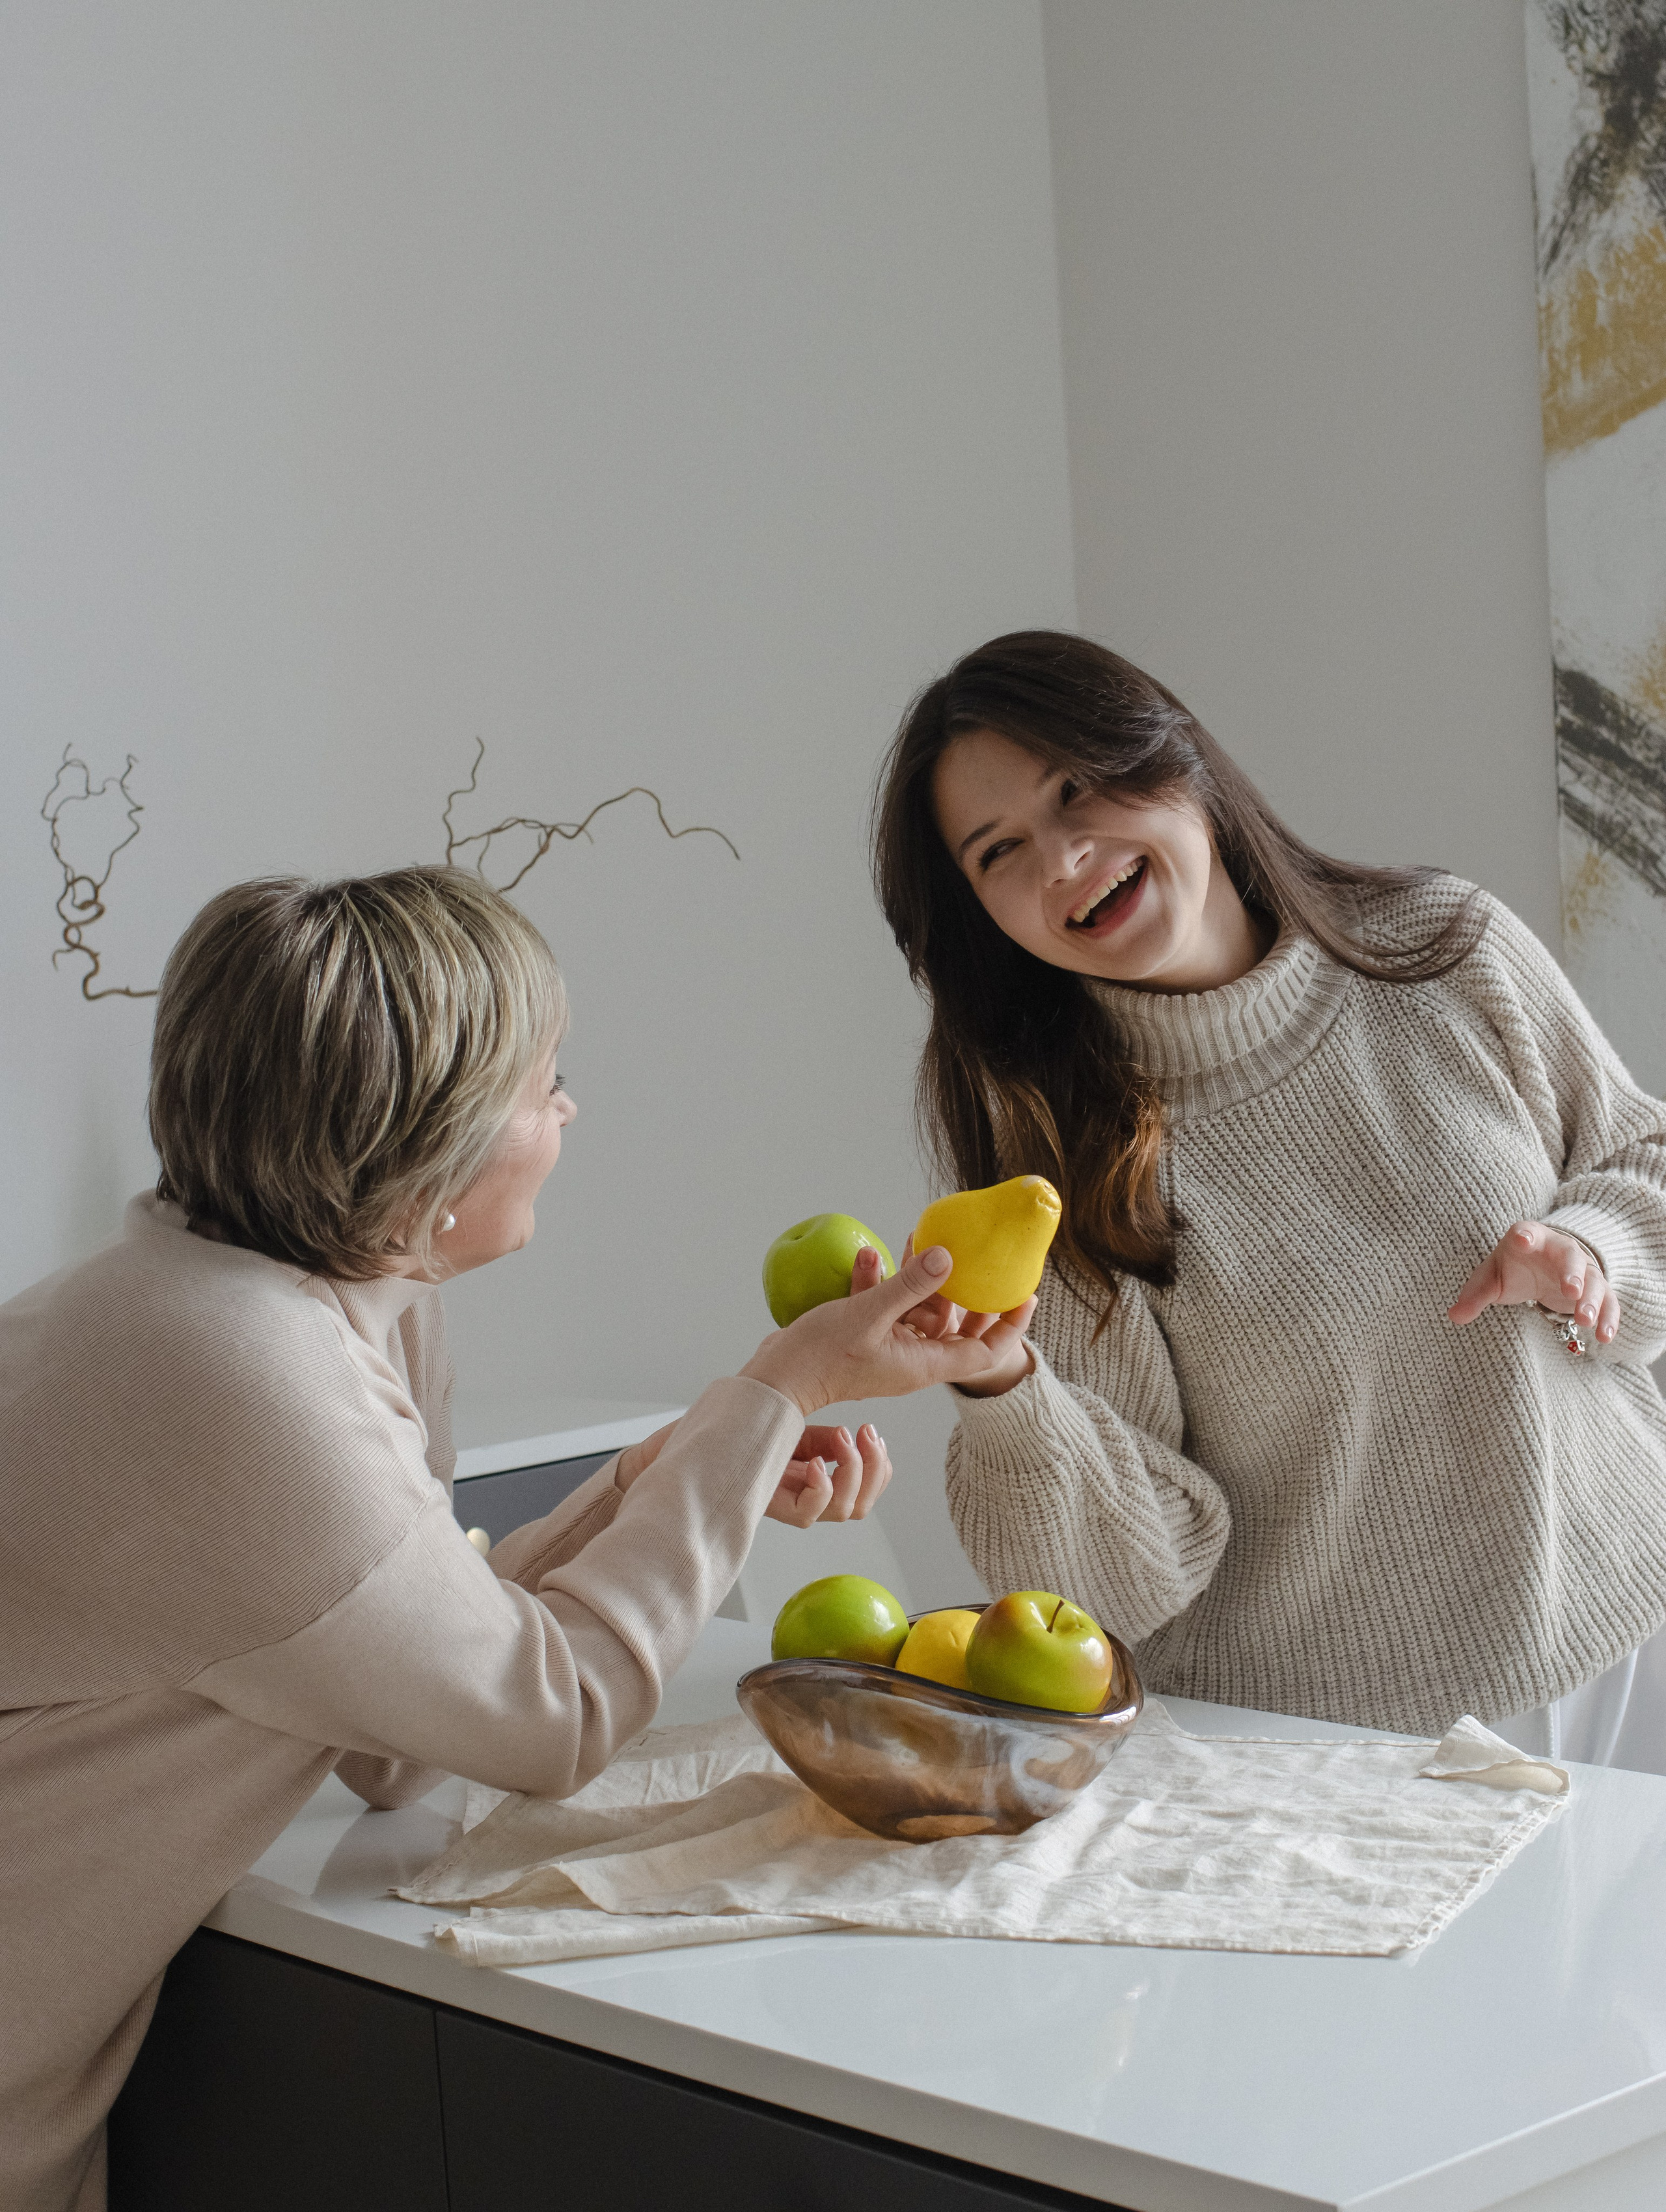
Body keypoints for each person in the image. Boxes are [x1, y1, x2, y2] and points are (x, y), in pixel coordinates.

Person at [0, 866, 1014, 2212]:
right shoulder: (243, 1377)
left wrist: (674, 1473)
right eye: (545, 1084)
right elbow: (548, 1714)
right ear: (430, 1145)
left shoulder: (255, 1294)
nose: (567, 1111)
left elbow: (397, 1732)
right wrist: (782, 1391)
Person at [872, 629, 1666, 1770]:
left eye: (1077, 789)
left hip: (1632, 1631)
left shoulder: (1444, 949)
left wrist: (1592, 1251)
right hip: (1340, 1755)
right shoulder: (1055, 1161)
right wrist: (1004, 1389)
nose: (1063, 858)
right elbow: (1116, 1581)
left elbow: (1643, 1154)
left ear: (1176, 759)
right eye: (1000, 850)